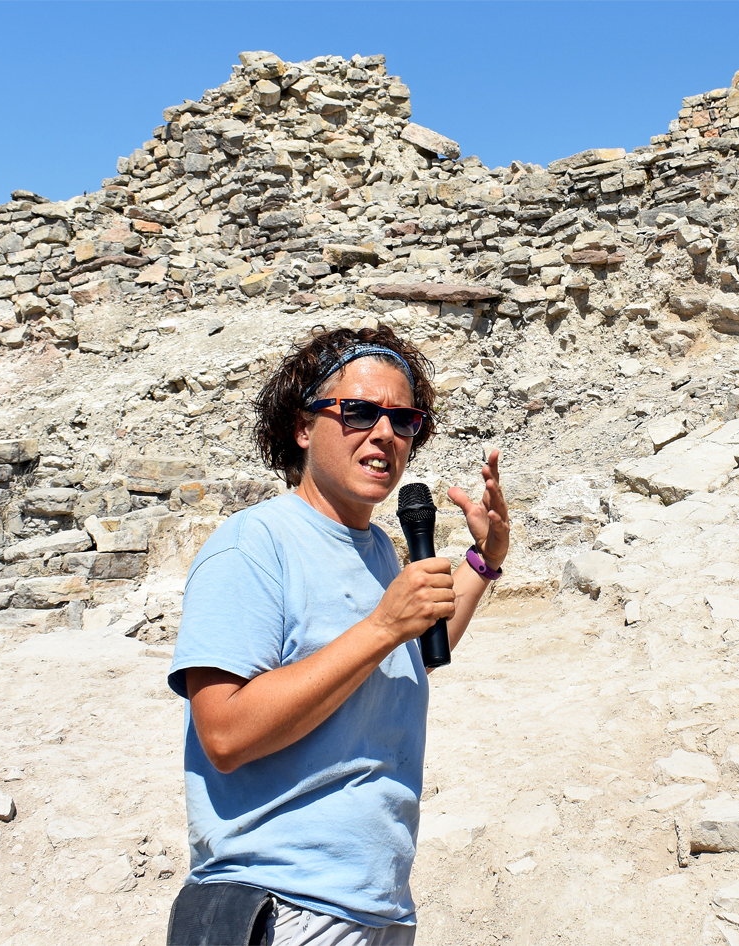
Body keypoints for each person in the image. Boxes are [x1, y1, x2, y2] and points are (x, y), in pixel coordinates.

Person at [165, 326, 509, 945]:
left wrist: (482, 562)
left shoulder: (378, 549)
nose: (384, 434)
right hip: (282, 905)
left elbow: (400, 661)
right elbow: (225, 733)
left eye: (403, 420)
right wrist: (382, 626)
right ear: (303, 426)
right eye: (359, 412)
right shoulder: (252, 546)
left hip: (377, 907)